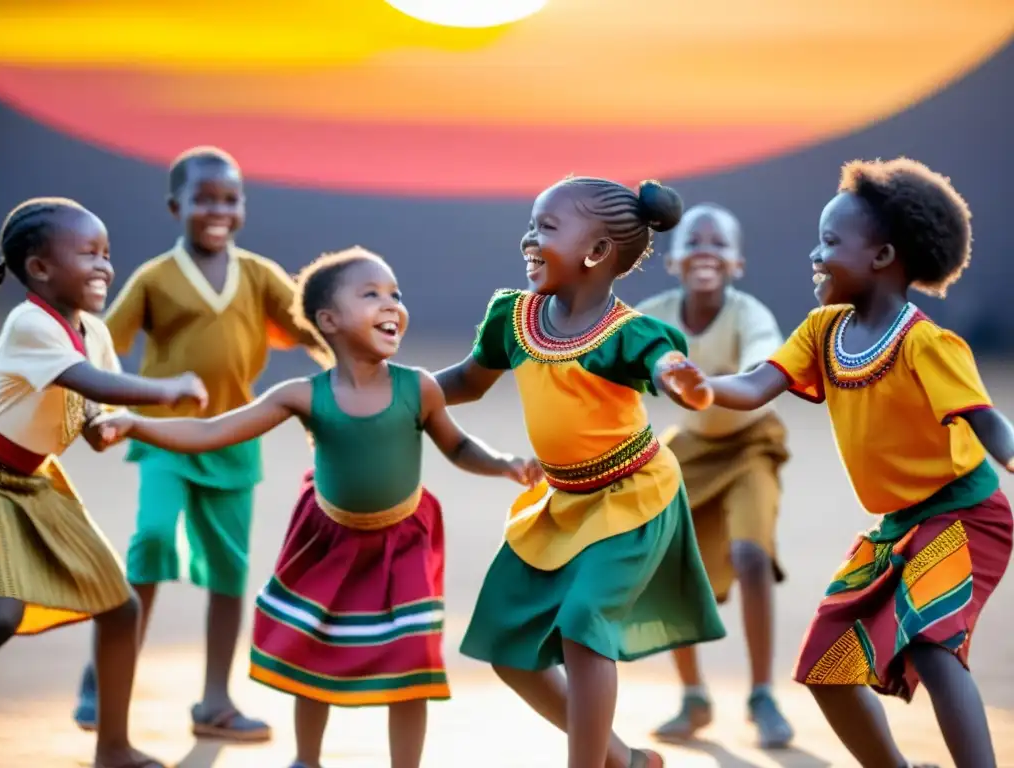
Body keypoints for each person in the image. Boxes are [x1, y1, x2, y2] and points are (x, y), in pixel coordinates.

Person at [90, 247, 541, 768]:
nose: (391, 303)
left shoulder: (417, 388)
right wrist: (136, 423)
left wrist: (504, 462)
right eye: (371, 294)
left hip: (404, 543)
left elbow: (460, 447)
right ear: (328, 320)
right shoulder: (303, 395)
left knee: (413, 662)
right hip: (329, 541)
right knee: (316, 651)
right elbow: (213, 432)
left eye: (395, 293)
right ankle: (307, 759)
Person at [660, 157, 1014, 768]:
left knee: (932, 645)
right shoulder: (824, 332)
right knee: (826, 664)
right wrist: (704, 388)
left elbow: (986, 421)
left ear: (881, 257)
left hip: (964, 516)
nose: (814, 255)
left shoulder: (926, 342)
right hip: (897, 527)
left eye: (829, 242)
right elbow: (755, 384)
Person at [433, 176, 727, 768]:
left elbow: (663, 361)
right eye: (531, 224)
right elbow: (464, 381)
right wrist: (398, 398)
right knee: (511, 651)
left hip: (632, 500)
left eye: (545, 228)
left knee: (583, 621)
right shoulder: (513, 318)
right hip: (562, 504)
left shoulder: (626, 333)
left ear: (595, 253)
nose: (527, 240)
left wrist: (679, 376)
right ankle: (625, 761)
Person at [72, 146, 330, 741]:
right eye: (204, 199)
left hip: (236, 443)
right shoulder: (155, 278)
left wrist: (357, 373)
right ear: (175, 206)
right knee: (152, 540)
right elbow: (101, 350)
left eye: (230, 199)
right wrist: (96, 409)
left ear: (243, 206)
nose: (218, 210)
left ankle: (214, 700)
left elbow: (314, 332)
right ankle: (106, 673)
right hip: (164, 438)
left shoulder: (260, 276)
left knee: (229, 571)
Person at [0, 197, 207, 768]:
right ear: (39, 269)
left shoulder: (92, 331)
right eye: (89, 253)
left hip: (34, 482)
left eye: (108, 254)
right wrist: (164, 389)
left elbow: (88, 411)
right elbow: (95, 382)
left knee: (121, 607)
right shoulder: (30, 323)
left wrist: (102, 427)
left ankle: (113, 748)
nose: (105, 266)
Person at [636, 204, 793, 747]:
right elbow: (612, 356)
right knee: (671, 562)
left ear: (738, 263)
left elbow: (761, 366)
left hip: (752, 444)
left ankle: (762, 694)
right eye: (693, 241)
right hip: (690, 448)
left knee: (751, 555)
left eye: (719, 243)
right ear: (672, 261)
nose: (706, 249)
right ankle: (694, 696)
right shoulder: (654, 314)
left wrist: (703, 382)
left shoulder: (749, 314)